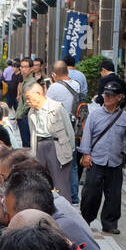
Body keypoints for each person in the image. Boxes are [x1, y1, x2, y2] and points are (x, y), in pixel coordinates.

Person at [79, 78, 126, 236]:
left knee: (114, 195)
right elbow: (87, 136)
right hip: (96, 160)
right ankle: (86, 220)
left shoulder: (125, 118)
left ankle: (110, 224)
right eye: (106, 95)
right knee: (91, 193)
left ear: (119, 98)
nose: (108, 97)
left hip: (115, 161)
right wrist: (86, 154)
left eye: (112, 95)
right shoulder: (94, 115)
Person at [24, 80, 76, 201]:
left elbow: (69, 131)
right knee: (41, 183)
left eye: (28, 98)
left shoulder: (56, 107)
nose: (27, 102)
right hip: (39, 148)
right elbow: (33, 133)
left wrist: (69, 151)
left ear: (38, 93)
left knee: (61, 186)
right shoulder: (31, 112)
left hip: (56, 147)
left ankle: (64, 215)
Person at [48, 61, 83, 203]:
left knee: (58, 163)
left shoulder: (54, 87)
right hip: (75, 128)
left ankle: (61, 195)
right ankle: (74, 196)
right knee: (72, 164)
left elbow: (48, 107)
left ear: (54, 74)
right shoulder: (77, 85)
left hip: (59, 129)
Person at [15, 57, 35, 146]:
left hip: (26, 117)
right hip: (22, 116)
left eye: (26, 67)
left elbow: (27, 103)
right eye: (21, 67)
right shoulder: (25, 81)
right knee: (25, 143)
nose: (23, 69)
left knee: (27, 144)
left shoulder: (31, 82)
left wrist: (19, 115)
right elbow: (21, 102)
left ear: (31, 69)